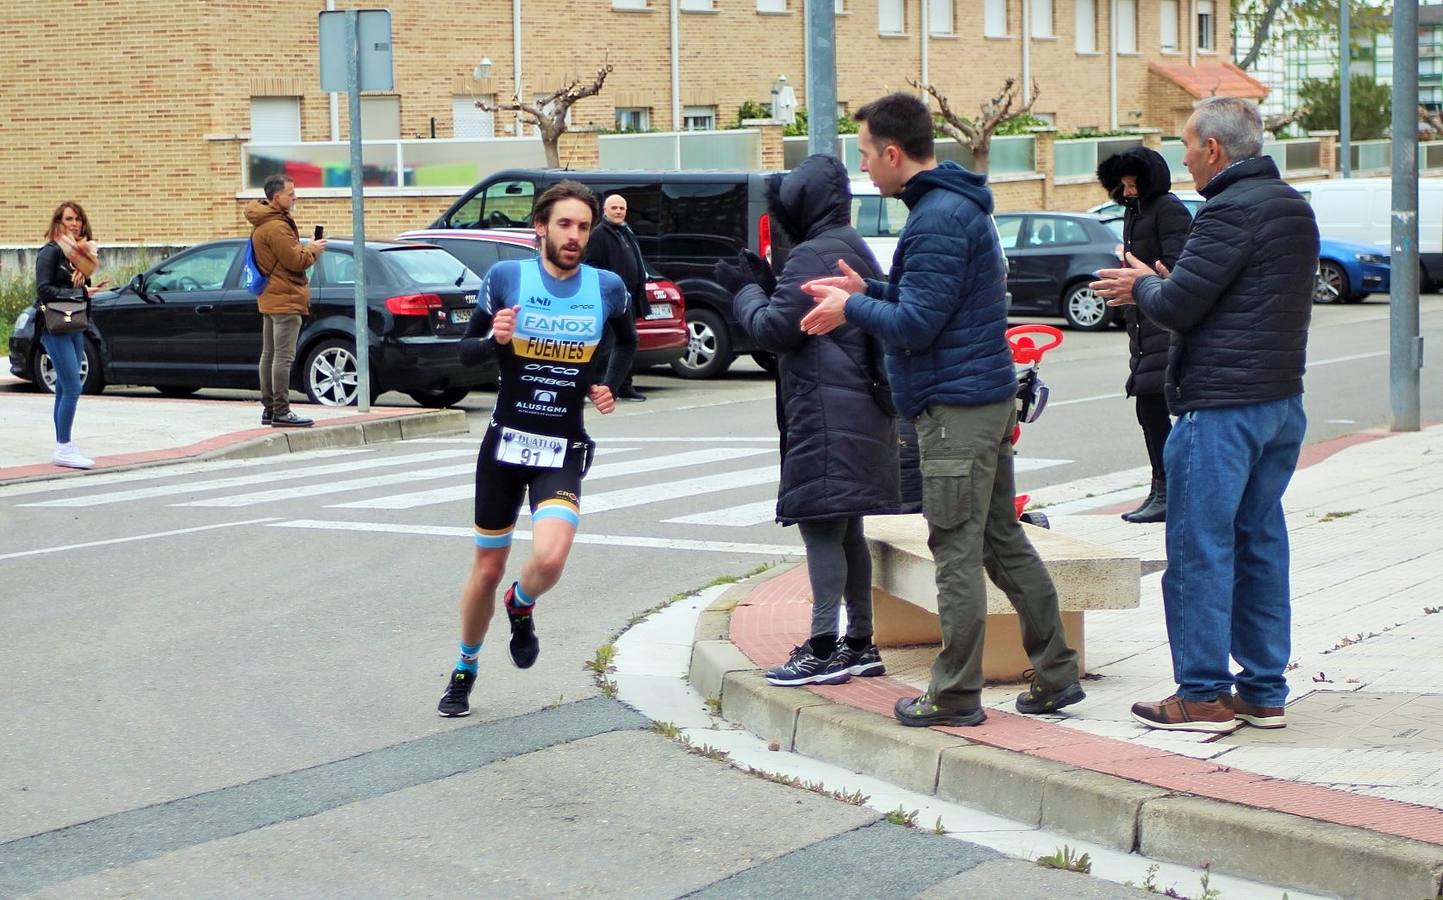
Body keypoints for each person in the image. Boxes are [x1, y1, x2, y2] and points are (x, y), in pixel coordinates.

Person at [800, 92, 1084, 727]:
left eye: (869, 155)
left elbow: (917, 322)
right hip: (980, 400)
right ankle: (1057, 674)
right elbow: (929, 299)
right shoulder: (952, 208)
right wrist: (866, 289)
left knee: (955, 548)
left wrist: (852, 309)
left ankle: (954, 695)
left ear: (895, 153)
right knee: (1000, 541)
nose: (865, 170)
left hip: (956, 409)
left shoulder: (935, 219)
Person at [1090, 97, 1317, 733]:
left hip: (1220, 408)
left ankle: (1202, 692)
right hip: (1279, 403)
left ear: (1214, 150)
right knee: (1260, 541)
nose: (1183, 157)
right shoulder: (1292, 206)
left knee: (1198, 547)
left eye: (1188, 146)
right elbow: (1236, 295)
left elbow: (1181, 306)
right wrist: (1167, 279)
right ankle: (1265, 689)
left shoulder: (1225, 211)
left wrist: (1140, 286)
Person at [438, 180, 636, 718]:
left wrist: (607, 382)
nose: (574, 236)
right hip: (505, 444)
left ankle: (520, 606)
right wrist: (494, 339)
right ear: (541, 229)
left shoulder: (607, 286)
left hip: (562, 445)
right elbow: (464, 352)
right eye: (565, 225)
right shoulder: (507, 279)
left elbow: (627, 339)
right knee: (486, 567)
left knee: (549, 557)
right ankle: (464, 668)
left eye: (583, 227)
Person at [715, 154, 898, 687]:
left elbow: (774, 330)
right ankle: (860, 643)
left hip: (825, 415)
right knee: (848, 532)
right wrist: (773, 280)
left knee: (821, 527)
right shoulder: (851, 244)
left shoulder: (813, 252)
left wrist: (746, 290)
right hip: (863, 416)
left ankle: (820, 647)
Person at [1095, 147, 1193, 524]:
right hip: (1142, 322)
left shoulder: (1167, 209)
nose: (1128, 191)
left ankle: (1170, 490)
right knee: (1147, 407)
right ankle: (1161, 487)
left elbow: (1176, 265)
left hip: (1163, 321)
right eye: (1123, 185)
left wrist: (1143, 279)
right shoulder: (1133, 213)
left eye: (1134, 184)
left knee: (1155, 405)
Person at [245, 174, 326, 428]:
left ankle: (269, 409)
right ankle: (281, 410)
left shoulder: (263, 222)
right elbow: (295, 261)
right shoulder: (277, 226)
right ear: (276, 197)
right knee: (282, 357)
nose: (295, 197)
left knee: (269, 354)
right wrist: (313, 249)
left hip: (271, 295)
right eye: (290, 194)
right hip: (286, 297)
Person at [35, 202, 106, 469]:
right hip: (54, 325)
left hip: (75, 323)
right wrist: (81, 293)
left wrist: (87, 286)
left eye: (78, 219)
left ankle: (63, 445)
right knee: (74, 386)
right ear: (58, 222)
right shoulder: (50, 252)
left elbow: (79, 290)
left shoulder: (78, 255)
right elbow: (43, 291)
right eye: (68, 219)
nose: (74, 223)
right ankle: (64, 448)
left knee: (65, 387)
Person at [582, 193, 650, 402]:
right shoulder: (599, 234)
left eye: (622, 208)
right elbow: (590, 266)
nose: (619, 212)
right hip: (610, 300)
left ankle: (625, 385)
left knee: (627, 342)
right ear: (605, 210)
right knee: (608, 346)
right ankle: (605, 387)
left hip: (629, 298)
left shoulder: (625, 231)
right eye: (614, 208)